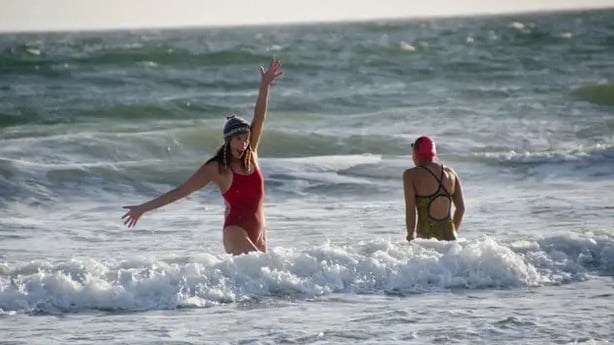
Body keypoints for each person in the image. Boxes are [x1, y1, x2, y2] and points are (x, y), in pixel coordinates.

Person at [121, 59, 283, 255]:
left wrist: (264, 86)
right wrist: (143, 208)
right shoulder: (216, 168)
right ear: (228, 141)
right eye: (238, 139)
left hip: (260, 233)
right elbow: (180, 191)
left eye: (246, 138)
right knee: (262, 273)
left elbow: (259, 117)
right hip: (235, 233)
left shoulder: (252, 155)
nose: (244, 144)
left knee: (268, 283)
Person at [402, 136, 465, 241]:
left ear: (415, 154)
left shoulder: (410, 175)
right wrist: (453, 232)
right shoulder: (451, 173)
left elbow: (410, 209)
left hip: (427, 241)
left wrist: (410, 235)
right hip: (450, 239)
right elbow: (461, 208)